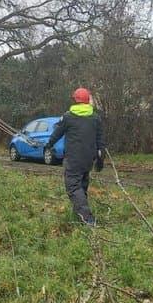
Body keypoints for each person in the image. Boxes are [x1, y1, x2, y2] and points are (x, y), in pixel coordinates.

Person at [45, 87, 105, 226]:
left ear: (75, 100)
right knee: (82, 186)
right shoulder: (95, 118)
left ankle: (88, 218)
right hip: (89, 159)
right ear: (87, 101)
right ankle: (78, 217)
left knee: (72, 187)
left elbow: (57, 133)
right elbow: (100, 140)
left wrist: (48, 145)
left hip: (73, 159)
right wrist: (100, 160)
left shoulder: (68, 116)